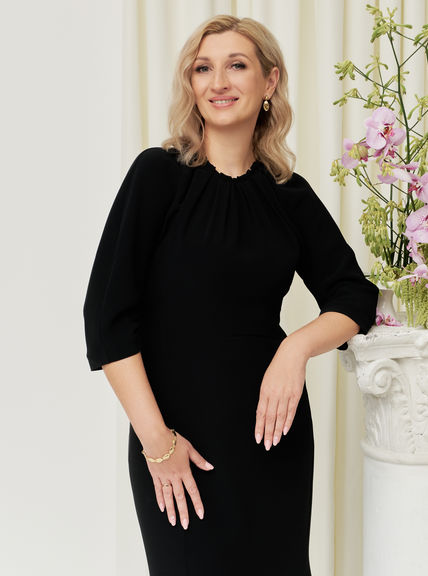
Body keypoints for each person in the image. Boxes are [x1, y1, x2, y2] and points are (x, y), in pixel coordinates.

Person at [83, 14, 378, 576]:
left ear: (270, 81)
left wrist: (294, 350)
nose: (218, 81)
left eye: (236, 65)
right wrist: (158, 444)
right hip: (176, 444)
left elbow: (354, 295)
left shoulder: (288, 196)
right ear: (191, 85)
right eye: (203, 68)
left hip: (273, 443)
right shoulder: (158, 175)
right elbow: (107, 319)